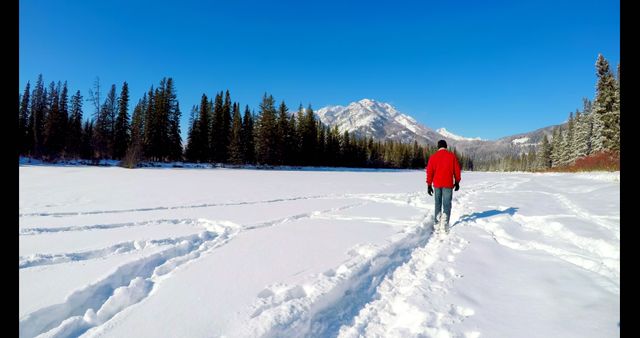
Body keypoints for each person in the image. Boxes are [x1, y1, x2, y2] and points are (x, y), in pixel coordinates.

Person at [426, 140, 461, 234]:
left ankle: (437, 224)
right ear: (446, 146)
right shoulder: (451, 156)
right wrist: (457, 182)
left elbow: (429, 172)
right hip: (448, 184)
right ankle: (444, 225)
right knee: (447, 204)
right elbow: (457, 170)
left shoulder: (433, 157)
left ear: (438, 147)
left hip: (437, 184)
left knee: (437, 204)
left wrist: (429, 185)